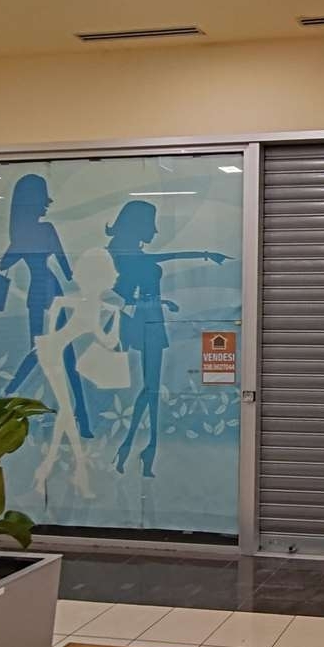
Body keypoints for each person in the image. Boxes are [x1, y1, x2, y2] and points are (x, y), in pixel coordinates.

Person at [105, 200, 229, 477]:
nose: (155, 230)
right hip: (142, 323)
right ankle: (142, 446)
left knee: (151, 387)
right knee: (151, 387)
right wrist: (154, 302)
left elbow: (166, 257)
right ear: (137, 224)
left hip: (152, 320)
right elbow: (119, 295)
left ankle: (136, 446)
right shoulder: (120, 255)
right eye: (151, 223)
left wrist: (205, 254)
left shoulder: (132, 254)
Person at [0, 174, 92, 438]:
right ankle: (82, 415)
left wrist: (19, 248)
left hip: (36, 295)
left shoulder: (20, 234)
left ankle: (6, 396)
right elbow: (67, 269)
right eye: (43, 199)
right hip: (53, 292)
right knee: (63, 354)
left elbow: (4, 264)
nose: (47, 204)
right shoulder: (47, 230)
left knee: (41, 351)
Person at [32, 250, 122, 500]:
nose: (113, 277)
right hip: (53, 353)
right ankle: (75, 472)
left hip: (56, 351)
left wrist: (115, 317)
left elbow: (108, 341)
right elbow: (58, 305)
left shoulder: (94, 305)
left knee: (66, 411)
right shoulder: (84, 303)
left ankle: (52, 470)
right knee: (66, 409)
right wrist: (51, 335)